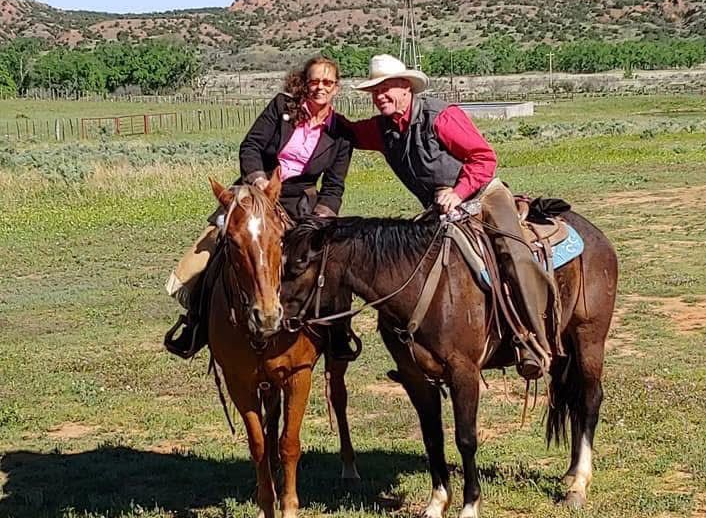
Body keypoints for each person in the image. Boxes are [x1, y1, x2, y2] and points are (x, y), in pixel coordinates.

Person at [339, 53, 556, 380]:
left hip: (484, 195)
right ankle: (421, 352)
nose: (379, 96)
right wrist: (314, 110)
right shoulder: (383, 129)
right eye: (374, 90)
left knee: (515, 254)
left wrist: (458, 190)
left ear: (406, 88)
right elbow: (349, 133)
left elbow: (484, 157)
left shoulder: (439, 116)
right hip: (440, 209)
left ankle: (531, 339)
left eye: (386, 88)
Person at [164, 56, 353, 359]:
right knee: (210, 249)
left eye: (327, 82)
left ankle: (338, 333)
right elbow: (250, 146)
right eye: (315, 81)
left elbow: (333, 187)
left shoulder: (341, 132)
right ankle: (195, 324)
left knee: (333, 262)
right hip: (256, 191)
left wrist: (321, 218)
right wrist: (259, 179)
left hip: (301, 202)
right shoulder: (281, 107)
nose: (320, 87)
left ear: (336, 88)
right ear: (304, 82)